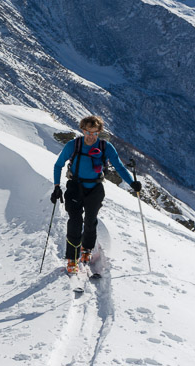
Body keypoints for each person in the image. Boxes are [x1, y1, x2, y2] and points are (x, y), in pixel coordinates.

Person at [50, 115, 141, 274]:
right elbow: (58, 165)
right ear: (82, 131)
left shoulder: (106, 147)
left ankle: (87, 249)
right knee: (75, 222)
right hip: (75, 187)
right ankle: (72, 259)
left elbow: (119, 167)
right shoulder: (74, 145)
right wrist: (57, 187)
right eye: (88, 132)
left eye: (95, 133)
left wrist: (132, 183)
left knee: (91, 221)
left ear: (99, 132)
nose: (91, 137)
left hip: (95, 188)